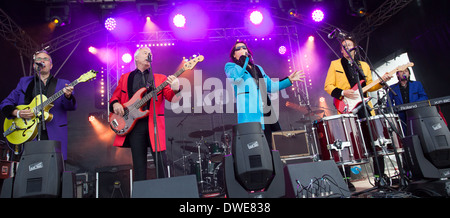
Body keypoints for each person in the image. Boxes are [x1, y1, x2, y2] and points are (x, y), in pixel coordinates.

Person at [324, 36, 393, 190]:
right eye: (344, 46)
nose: (347, 48)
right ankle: (346, 180)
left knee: (376, 140)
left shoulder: (364, 66)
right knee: (347, 143)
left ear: (354, 48)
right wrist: (343, 92)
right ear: (341, 50)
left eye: (349, 45)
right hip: (346, 107)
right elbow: (328, 86)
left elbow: (370, 86)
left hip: (365, 107)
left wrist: (382, 82)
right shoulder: (335, 64)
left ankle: (379, 177)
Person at [109, 47, 181, 181]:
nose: (149, 54)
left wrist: (176, 89)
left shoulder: (159, 78)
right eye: (145, 52)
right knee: (139, 166)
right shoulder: (125, 78)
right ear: (136, 58)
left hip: (154, 124)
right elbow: (115, 97)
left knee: (161, 163)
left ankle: (165, 192)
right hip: (134, 126)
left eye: (150, 53)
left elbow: (171, 98)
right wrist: (115, 104)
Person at [224, 40, 305, 150]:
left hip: (266, 110)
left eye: (244, 48)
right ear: (234, 54)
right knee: (258, 147)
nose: (242, 49)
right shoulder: (231, 67)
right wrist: (242, 61)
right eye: (238, 49)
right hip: (250, 113)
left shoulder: (257, 68)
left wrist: (289, 80)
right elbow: (236, 77)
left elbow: (271, 87)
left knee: (273, 144)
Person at [0, 50, 76, 160]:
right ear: (34, 65)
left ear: (51, 65)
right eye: (38, 59)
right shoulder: (24, 82)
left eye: (45, 59)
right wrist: (18, 113)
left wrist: (68, 97)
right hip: (28, 133)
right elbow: (5, 103)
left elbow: (71, 107)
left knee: (54, 171)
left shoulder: (62, 84)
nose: (42, 61)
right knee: (31, 169)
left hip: (54, 132)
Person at [388, 67, 428, 133]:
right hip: (401, 117)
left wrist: (414, 105)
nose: (404, 73)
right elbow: (389, 102)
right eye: (401, 71)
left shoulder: (417, 84)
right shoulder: (392, 87)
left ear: (409, 74)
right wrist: (393, 112)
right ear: (397, 74)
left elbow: (424, 97)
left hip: (416, 113)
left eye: (406, 71)